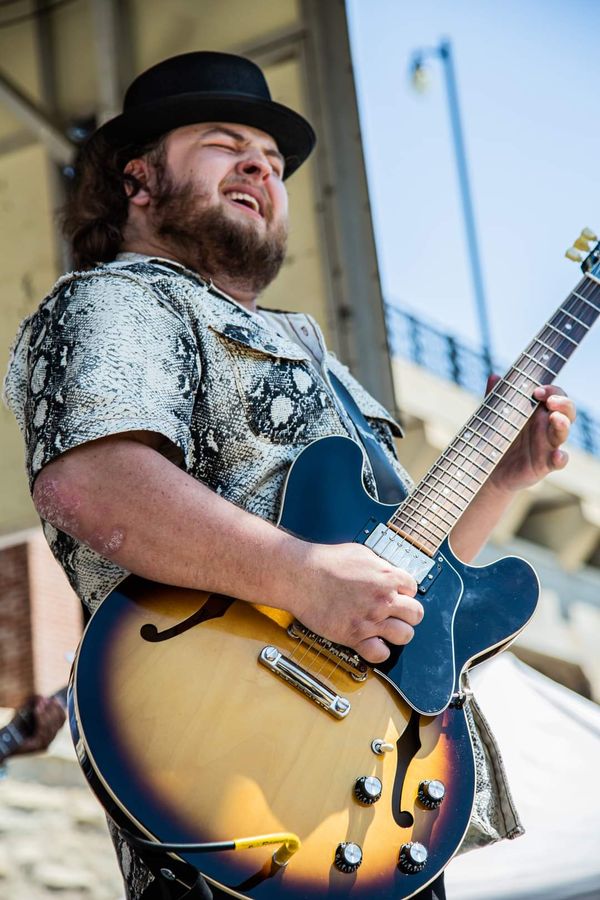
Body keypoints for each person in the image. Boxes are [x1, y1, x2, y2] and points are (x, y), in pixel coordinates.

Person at [3, 51, 575, 900]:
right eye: (224, 143)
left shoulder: (320, 358)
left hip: (371, 799)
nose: (260, 170)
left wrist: (501, 479)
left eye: (272, 162)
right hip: (224, 751)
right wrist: (302, 576)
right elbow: (93, 485)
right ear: (138, 179)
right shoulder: (119, 298)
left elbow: (401, 574)